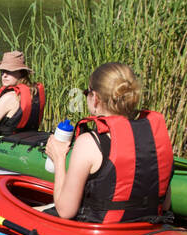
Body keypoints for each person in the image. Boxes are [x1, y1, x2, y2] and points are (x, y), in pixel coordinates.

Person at [44, 62, 174, 223]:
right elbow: (166, 204)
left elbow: (65, 210)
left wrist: (58, 158)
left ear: (96, 98)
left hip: (101, 234)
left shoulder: (89, 143)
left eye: (87, 92)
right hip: (147, 230)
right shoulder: (154, 139)